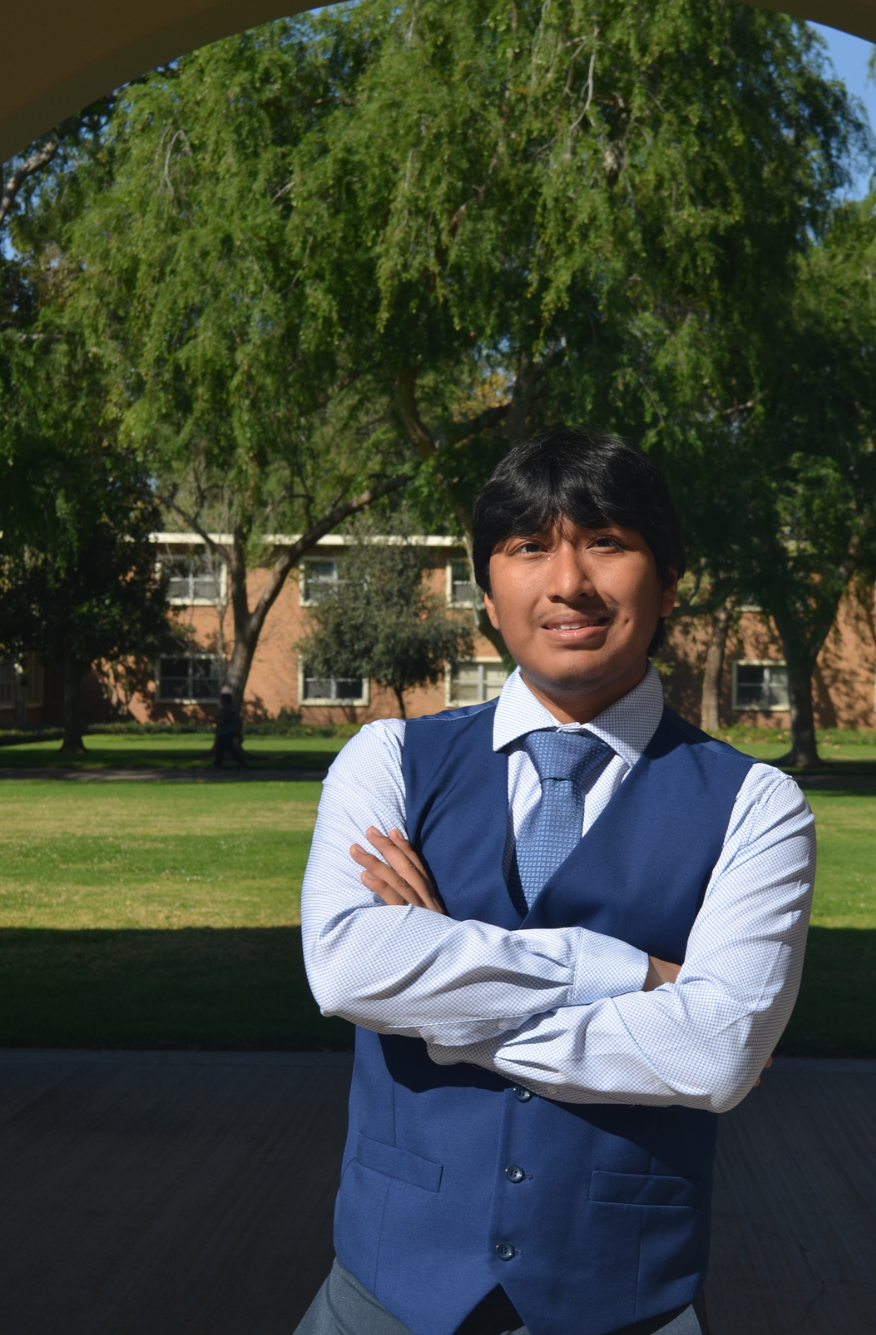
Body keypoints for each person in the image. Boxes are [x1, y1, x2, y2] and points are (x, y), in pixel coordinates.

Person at [297, 429, 816, 1335]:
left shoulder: (758, 805)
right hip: (382, 1294)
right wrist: (633, 976)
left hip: (625, 1304)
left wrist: (440, 1014)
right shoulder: (387, 758)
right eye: (529, 547)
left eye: (607, 543)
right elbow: (347, 969)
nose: (567, 581)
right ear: (488, 593)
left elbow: (720, 1051)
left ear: (670, 582)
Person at [212, 691, 247, 769]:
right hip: (226, 732)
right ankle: (218, 765)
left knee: (225, 749)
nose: (220, 701)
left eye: (221, 700)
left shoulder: (227, 709)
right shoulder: (228, 708)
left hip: (226, 732)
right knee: (225, 749)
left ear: (225, 700)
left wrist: (214, 721)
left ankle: (217, 765)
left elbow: (224, 721)